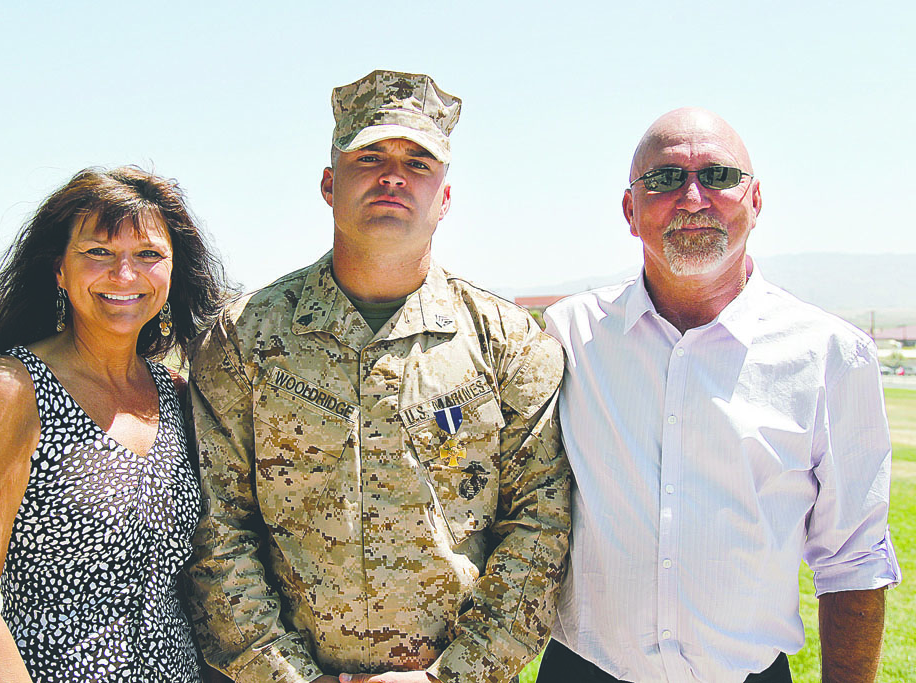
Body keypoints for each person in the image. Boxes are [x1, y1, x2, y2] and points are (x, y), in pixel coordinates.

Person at [186, 69, 571, 683]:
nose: (393, 175)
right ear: (328, 184)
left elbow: (539, 528)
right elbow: (214, 526)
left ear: (445, 198)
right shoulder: (244, 338)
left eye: (419, 163)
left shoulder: (508, 344)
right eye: (370, 156)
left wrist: (449, 677)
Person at [541, 108, 901, 683]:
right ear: (630, 211)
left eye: (718, 177)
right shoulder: (564, 338)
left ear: (756, 201)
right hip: (584, 670)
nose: (691, 198)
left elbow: (854, 559)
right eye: (663, 179)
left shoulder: (831, 353)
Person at [0, 166, 228, 682]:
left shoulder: (179, 395)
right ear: (58, 270)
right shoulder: (8, 391)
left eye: (149, 255)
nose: (124, 275)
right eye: (98, 253)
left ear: (174, 271)